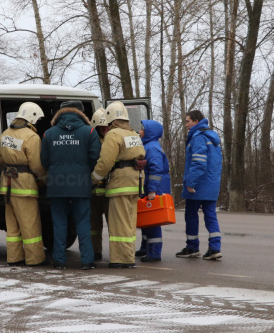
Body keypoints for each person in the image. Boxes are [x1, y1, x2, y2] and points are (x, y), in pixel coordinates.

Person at [41, 100, 101, 270]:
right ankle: (87, 261)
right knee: (83, 223)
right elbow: (95, 158)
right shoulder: (89, 131)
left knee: (59, 223)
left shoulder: (49, 133)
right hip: (81, 184)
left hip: (57, 184)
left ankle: (59, 260)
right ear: (81, 113)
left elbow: (44, 160)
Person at [91, 102, 146, 268]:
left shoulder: (113, 135)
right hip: (135, 182)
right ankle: (128, 257)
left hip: (120, 183)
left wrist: (94, 177)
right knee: (129, 223)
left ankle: (119, 259)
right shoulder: (133, 134)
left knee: (119, 223)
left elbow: (106, 161)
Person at [0, 102, 48, 267]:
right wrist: (44, 180)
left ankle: (14, 258)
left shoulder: (5, 134)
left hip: (7, 184)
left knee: (12, 226)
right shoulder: (32, 137)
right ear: (32, 117)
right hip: (24, 185)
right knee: (30, 225)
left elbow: (0, 158)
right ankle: (35, 259)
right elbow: (36, 165)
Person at [177, 109, 223, 260]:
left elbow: (198, 163)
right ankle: (215, 248)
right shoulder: (212, 138)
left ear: (196, 122)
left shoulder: (198, 138)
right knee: (210, 215)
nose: (186, 125)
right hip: (211, 185)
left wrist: (191, 183)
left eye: (187, 121)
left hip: (199, 185)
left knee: (191, 214)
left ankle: (192, 246)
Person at [136, 119, 171, 263]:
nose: (140, 131)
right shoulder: (149, 146)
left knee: (153, 222)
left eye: (142, 129)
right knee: (146, 221)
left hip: (154, 189)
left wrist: (152, 190)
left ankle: (155, 253)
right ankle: (145, 247)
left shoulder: (151, 148)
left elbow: (156, 170)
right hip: (151, 188)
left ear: (149, 132)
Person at [89, 108, 110, 260]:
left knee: (114, 225)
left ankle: (117, 253)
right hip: (93, 190)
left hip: (110, 190)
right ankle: (95, 251)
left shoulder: (113, 140)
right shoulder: (92, 141)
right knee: (93, 226)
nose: (105, 130)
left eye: (107, 126)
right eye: (101, 127)